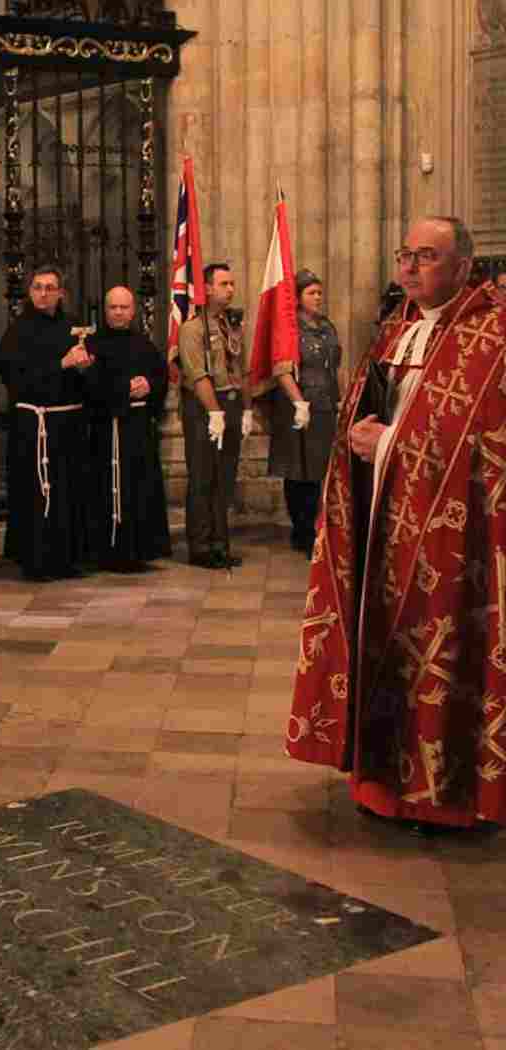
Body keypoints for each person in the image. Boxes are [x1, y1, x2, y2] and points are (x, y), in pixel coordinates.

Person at [289, 215, 506, 832]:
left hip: (452, 540)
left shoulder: (491, 336)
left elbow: (482, 446)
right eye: (404, 254)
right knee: (384, 641)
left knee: (441, 653)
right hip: (385, 522)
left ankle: (445, 796)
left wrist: (387, 444)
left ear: (464, 266)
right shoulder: (397, 329)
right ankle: (382, 780)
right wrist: (360, 447)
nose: (410, 267)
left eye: (427, 257)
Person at [0, 265, 91, 580]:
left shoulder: (73, 327)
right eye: (37, 287)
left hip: (67, 424)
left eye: (50, 288)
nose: (43, 293)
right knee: (36, 493)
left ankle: (67, 558)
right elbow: (15, 379)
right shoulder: (17, 331)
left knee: (68, 490)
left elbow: (88, 380)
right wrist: (60, 364)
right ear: (29, 292)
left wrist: (83, 368)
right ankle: (36, 560)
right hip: (33, 425)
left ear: (61, 293)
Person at [83, 286, 172, 570]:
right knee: (106, 489)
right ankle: (108, 551)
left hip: (138, 430)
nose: (118, 312)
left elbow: (161, 377)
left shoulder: (144, 344)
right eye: (113, 307)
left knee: (139, 487)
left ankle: (139, 549)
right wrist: (123, 390)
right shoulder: (92, 346)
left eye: (124, 307)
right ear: (105, 310)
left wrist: (150, 385)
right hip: (107, 430)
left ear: (133, 311)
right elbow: (89, 386)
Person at [176, 262, 252, 569]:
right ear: (206, 288)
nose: (230, 289)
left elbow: (242, 369)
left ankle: (221, 542)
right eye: (224, 284)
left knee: (225, 478)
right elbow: (198, 376)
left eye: (232, 284)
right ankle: (201, 545)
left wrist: (246, 408)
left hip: (229, 404)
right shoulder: (192, 329)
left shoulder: (232, 326)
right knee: (203, 476)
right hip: (204, 408)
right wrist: (214, 412)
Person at [265, 270, 341, 558]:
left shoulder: (327, 326)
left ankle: (313, 529)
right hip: (298, 406)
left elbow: (334, 366)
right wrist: (299, 403)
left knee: (319, 470)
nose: (318, 297)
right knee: (299, 472)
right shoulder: (289, 330)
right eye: (311, 293)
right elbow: (281, 370)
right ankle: (303, 531)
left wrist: (340, 398)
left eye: (320, 292)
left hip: (324, 405)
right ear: (297, 298)